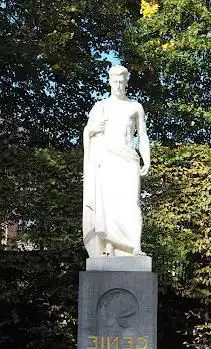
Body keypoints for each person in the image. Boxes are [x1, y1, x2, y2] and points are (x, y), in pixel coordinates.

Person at [83, 65, 150, 257]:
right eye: (115, 81)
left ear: (127, 83)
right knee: (109, 204)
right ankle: (111, 246)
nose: (118, 85)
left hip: (128, 159)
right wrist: (93, 130)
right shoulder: (101, 106)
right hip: (108, 159)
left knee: (132, 202)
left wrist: (147, 159)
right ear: (110, 82)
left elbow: (142, 136)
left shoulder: (135, 107)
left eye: (122, 81)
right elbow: (88, 132)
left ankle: (135, 245)